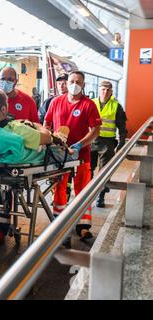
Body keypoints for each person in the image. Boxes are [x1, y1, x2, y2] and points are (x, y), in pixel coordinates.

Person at [0, 88, 52, 243]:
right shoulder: (16, 129)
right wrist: (38, 126)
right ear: (4, 109)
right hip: (9, 171)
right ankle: (1, 228)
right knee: (4, 188)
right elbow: (47, 139)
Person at [44, 71, 102, 240]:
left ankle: (83, 226)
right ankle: (59, 222)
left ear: (83, 85)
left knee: (83, 189)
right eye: (71, 81)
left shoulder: (88, 105)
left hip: (81, 154)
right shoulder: (56, 102)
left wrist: (80, 145)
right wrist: (49, 136)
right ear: (67, 82)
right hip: (59, 155)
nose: (74, 84)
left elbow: (96, 130)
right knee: (60, 188)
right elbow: (47, 123)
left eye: (78, 81)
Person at [91, 80, 128, 208]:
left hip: (107, 143)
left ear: (111, 91)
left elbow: (122, 126)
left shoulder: (116, 106)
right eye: (103, 89)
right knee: (87, 170)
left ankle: (100, 197)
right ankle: (87, 195)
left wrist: (122, 141)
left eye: (108, 90)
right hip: (91, 140)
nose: (105, 92)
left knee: (104, 171)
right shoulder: (91, 103)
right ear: (99, 90)